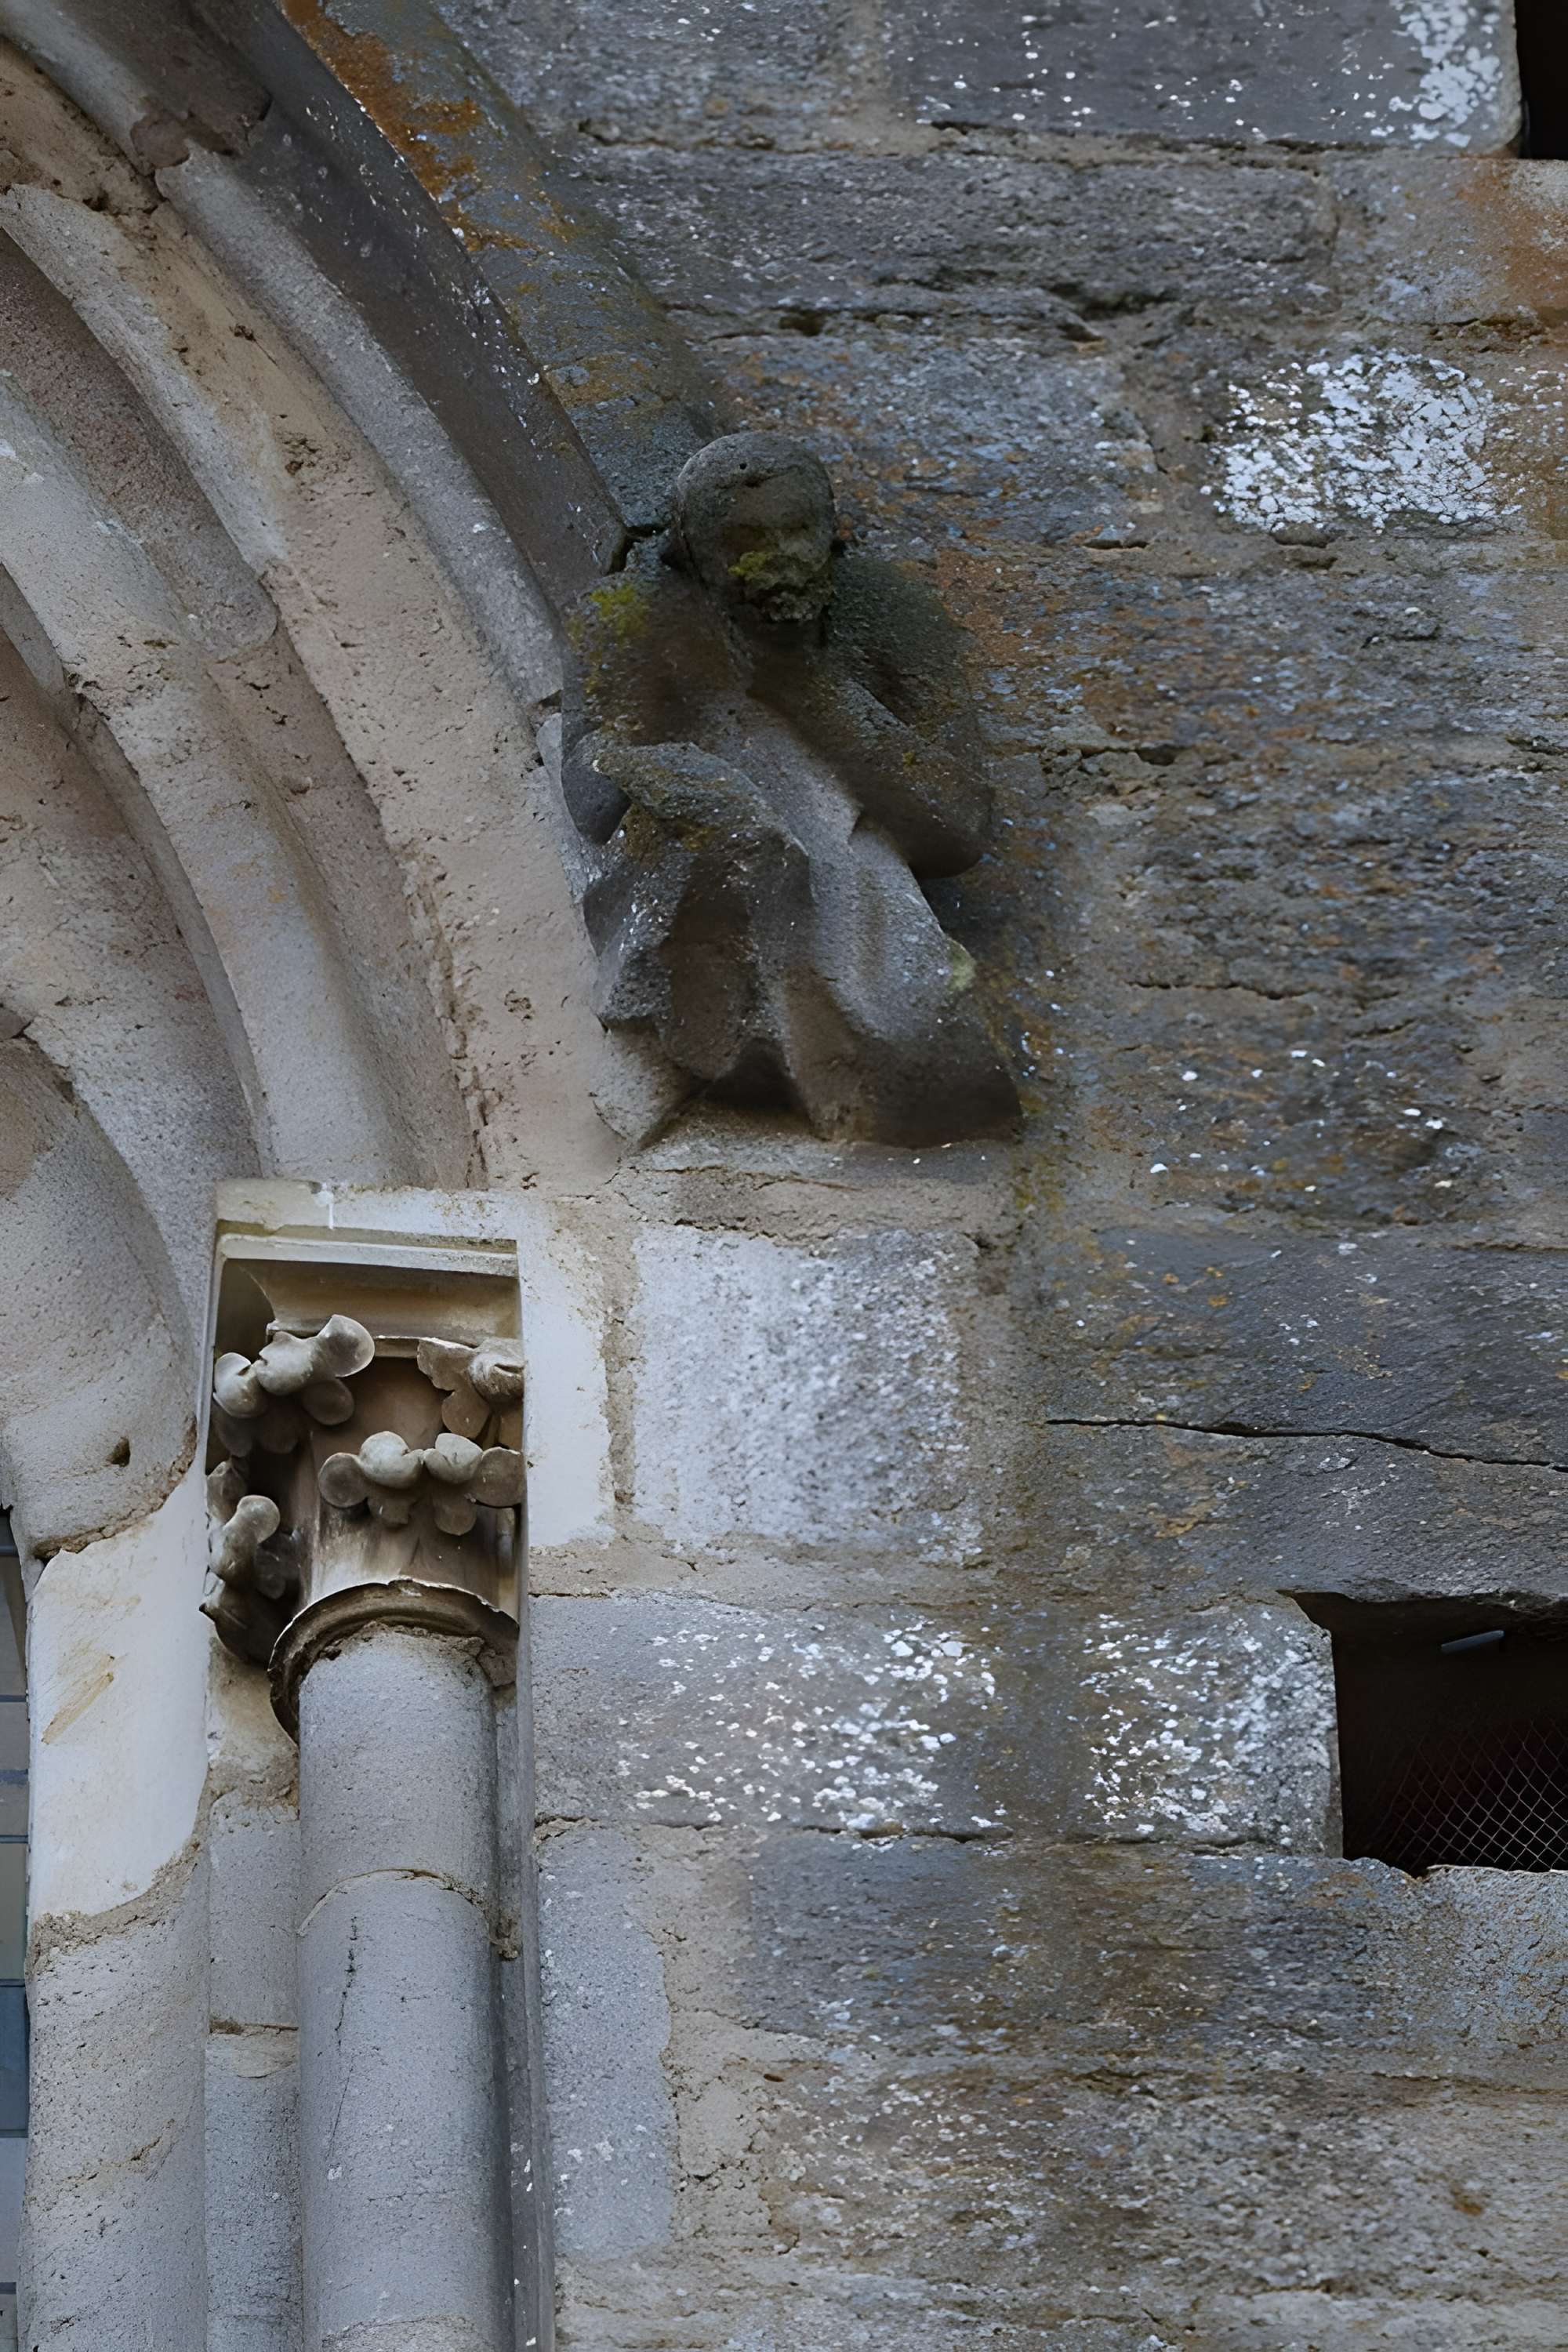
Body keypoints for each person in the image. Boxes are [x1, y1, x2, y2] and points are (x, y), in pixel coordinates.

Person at [561, 431, 1017, 1143]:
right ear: (690, 553)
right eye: (742, 540)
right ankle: (696, 1041)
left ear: (833, 531)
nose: (775, 559)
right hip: (704, 853)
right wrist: (655, 771)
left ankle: (852, 1053)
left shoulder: (888, 614)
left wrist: (811, 693)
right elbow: (591, 798)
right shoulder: (631, 619)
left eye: (797, 530)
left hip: (849, 871)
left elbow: (961, 825)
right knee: (729, 817)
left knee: (906, 1006)